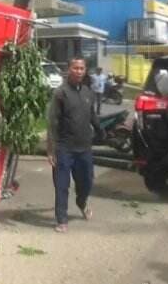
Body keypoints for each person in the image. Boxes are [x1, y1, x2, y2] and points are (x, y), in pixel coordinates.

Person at [46, 58, 103, 233]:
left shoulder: (88, 92)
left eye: (82, 68)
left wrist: (101, 131)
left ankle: (81, 201)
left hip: (84, 148)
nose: (79, 71)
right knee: (62, 185)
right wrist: (51, 149)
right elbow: (52, 122)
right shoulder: (60, 93)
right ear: (69, 69)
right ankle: (62, 219)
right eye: (75, 68)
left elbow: (92, 116)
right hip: (64, 148)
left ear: (85, 71)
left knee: (87, 181)